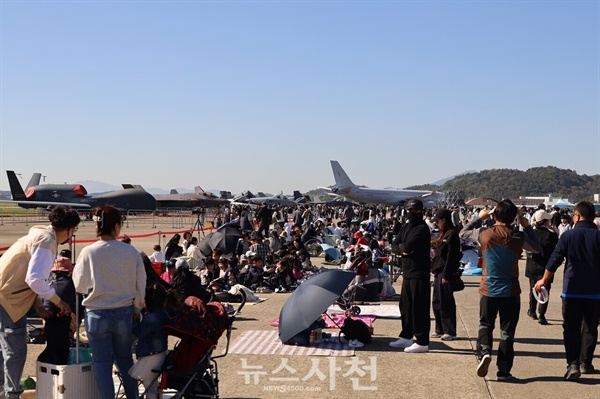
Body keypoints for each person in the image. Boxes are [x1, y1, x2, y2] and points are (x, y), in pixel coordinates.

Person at [0, 206, 79, 398]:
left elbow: (25, 279)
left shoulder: (38, 236)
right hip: (9, 300)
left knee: (5, 348)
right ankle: (12, 395)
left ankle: (4, 389)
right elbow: (34, 280)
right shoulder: (46, 241)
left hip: (7, 296)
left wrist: (40, 307)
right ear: (69, 229)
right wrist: (59, 302)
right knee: (15, 350)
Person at [460, 199, 541, 381]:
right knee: (507, 332)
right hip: (511, 290)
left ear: (494, 215)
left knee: (485, 324)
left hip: (488, 288)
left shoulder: (484, 233)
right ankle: (504, 370)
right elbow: (536, 248)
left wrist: (479, 218)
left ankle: (485, 352)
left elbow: (463, 233)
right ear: (514, 219)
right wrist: (526, 226)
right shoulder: (518, 236)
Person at [73, 205, 146, 399]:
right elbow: (141, 282)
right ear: (116, 227)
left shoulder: (88, 252)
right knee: (125, 360)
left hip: (96, 313)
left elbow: (79, 285)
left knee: (102, 364)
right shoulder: (130, 252)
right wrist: (137, 306)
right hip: (124, 312)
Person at [534, 201, 600, 381]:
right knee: (590, 328)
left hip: (572, 291)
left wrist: (543, 280)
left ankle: (573, 364)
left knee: (571, 328)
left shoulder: (568, 236)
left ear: (577, 216)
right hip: (595, 292)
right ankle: (586, 363)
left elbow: (554, 260)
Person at [389, 199, 432, 353]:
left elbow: (407, 246)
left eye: (415, 211)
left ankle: (422, 341)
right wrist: (402, 249)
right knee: (405, 307)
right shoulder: (406, 226)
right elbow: (395, 244)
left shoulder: (421, 228)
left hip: (419, 273)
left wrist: (402, 248)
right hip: (407, 272)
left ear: (421, 212)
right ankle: (406, 336)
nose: (412, 214)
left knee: (419, 307)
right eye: (409, 211)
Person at [130, 284, 180, 399]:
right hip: (161, 352)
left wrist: (135, 320)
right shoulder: (164, 313)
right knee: (155, 385)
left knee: (149, 386)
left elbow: (139, 333)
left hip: (149, 355)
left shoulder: (152, 317)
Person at [38, 250, 79, 365]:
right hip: (63, 319)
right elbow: (76, 305)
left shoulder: (47, 282)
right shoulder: (71, 283)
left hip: (46, 317)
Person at [430, 209, 461, 341]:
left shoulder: (452, 235)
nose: (436, 224)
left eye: (438, 221)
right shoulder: (443, 235)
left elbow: (451, 257)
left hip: (445, 273)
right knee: (437, 302)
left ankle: (450, 330)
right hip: (438, 273)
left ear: (444, 220)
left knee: (446, 302)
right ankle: (440, 328)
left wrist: (446, 275)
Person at [525, 210, 558, 325]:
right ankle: (542, 314)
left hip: (532, 266)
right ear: (545, 221)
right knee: (545, 290)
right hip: (546, 267)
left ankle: (532, 311)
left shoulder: (531, 234)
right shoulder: (552, 236)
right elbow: (555, 252)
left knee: (533, 288)